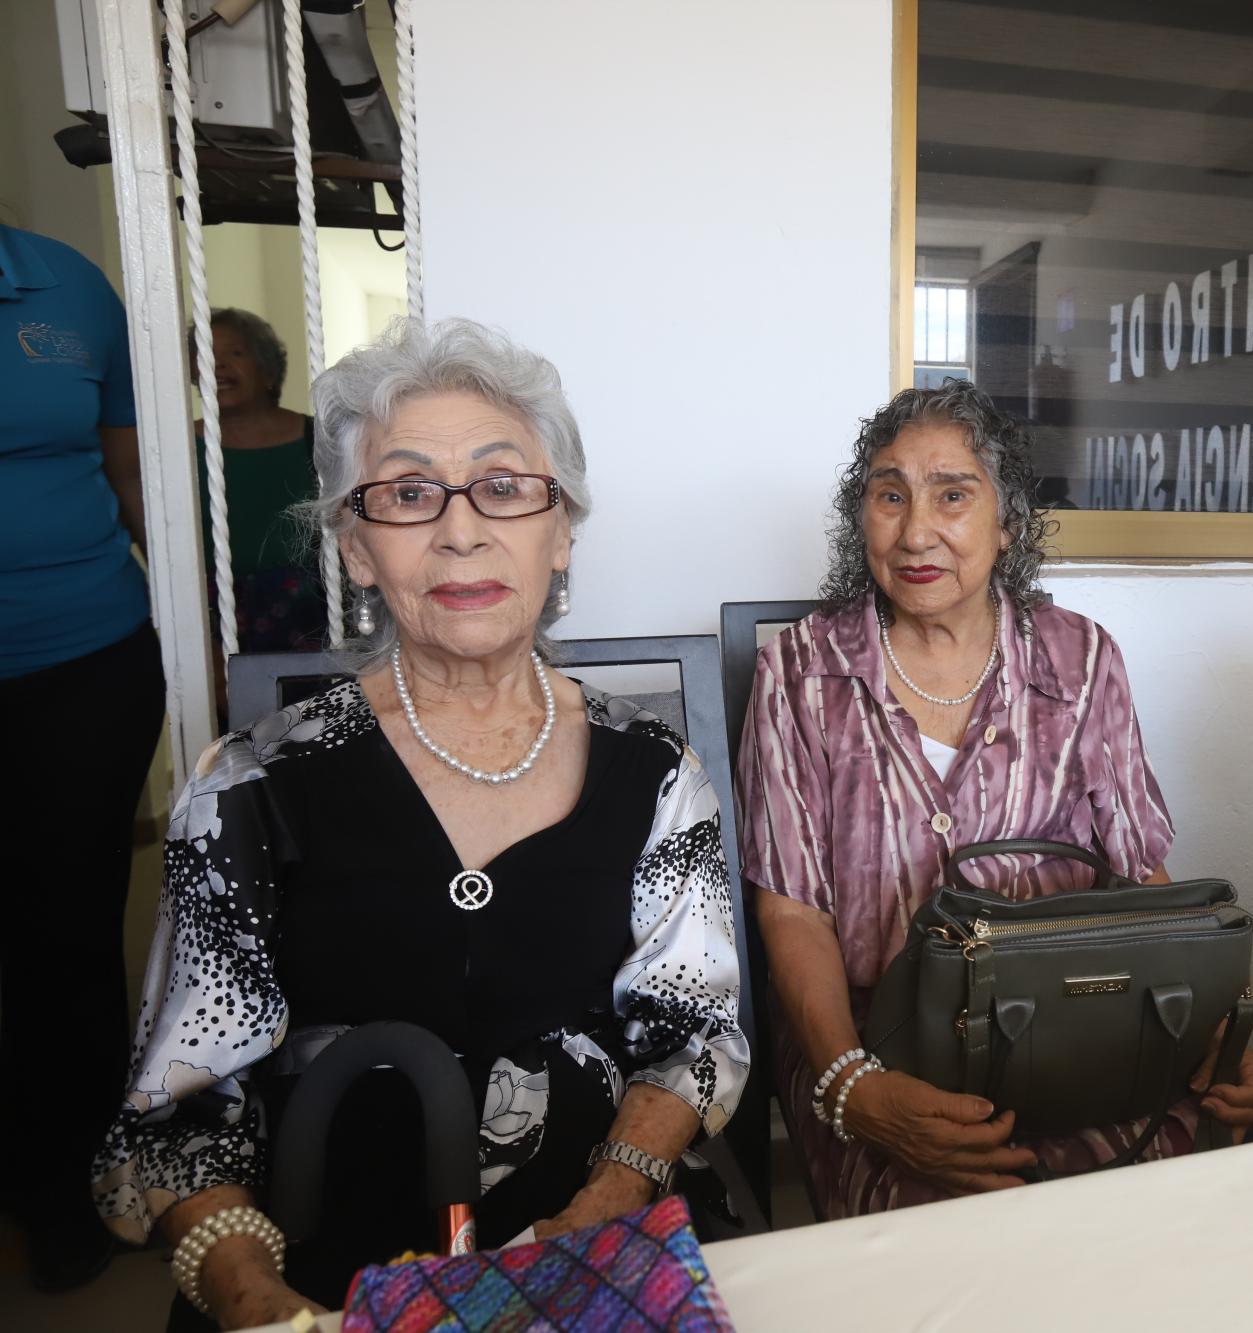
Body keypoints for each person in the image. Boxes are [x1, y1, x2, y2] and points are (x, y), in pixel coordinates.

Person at [93, 319, 750, 1329]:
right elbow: (181, 1111)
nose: (460, 531)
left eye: (502, 486)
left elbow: (693, 1038)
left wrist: (598, 1212)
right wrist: (261, 1299)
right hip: (320, 1280)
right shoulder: (252, 783)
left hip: (592, 1263)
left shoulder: (656, 772)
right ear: (356, 548)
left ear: (560, 529)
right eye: (407, 495)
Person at [736, 379, 1253, 1219]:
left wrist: (1202, 1037)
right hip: (880, 1040)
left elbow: (1141, 871)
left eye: (953, 494)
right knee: (939, 1219)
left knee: (1180, 1191)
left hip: (1077, 1016)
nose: (916, 531)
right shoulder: (798, 673)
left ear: (1007, 522)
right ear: (860, 516)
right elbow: (792, 910)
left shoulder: (1082, 660)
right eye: (888, 494)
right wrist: (854, 1087)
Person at [0, 222, 165, 1291]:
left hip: (85, 660)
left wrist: (213, 639)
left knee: (65, 932)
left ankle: (71, 1186)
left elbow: (135, 480)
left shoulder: (65, 285)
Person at [191, 308, 325, 652]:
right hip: (212, 618)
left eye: (234, 353)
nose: (218, 364)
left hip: (317, 616)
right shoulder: (179, 446)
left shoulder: (319, 437)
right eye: (206, 352)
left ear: (267, 370)